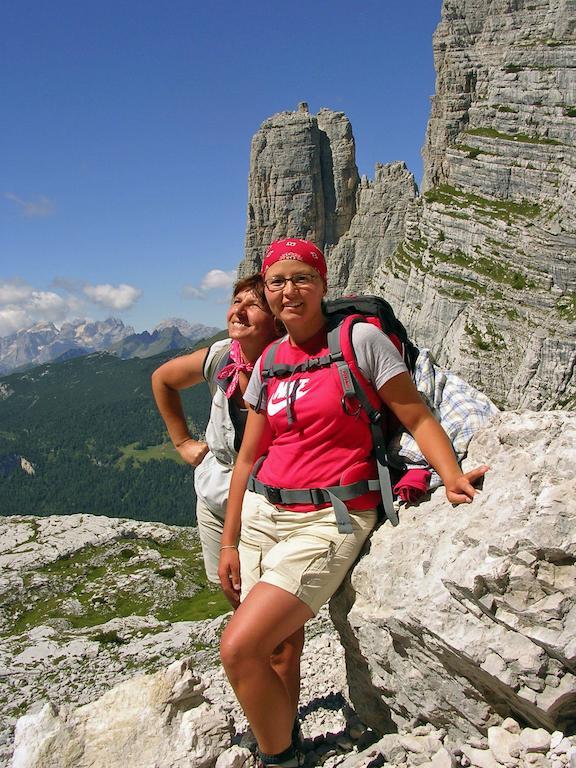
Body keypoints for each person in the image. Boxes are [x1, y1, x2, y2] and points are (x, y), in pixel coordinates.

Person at [218, 239, 489, 768]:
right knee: (275, 649)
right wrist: (229, 540)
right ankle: (284, 735)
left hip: (330, 517)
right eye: (277, 282)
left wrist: (451, 475)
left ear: (323, 282)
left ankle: (281, 760)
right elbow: (248, 458)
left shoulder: (358, 339)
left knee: (238, 648)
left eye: (301, 279)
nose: (288, 291)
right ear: (267, 290)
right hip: (262, 515)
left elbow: (416, 415)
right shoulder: (270, 357)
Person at [151, 274, 279, 583]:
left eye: (254, 305)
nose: (239, 311)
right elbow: (163, 379)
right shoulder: (221, 356)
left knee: (268, 594)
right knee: (230, 587)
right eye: (236, 302)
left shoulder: (289, 367)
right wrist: (182, 442)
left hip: (266, 502)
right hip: (214, 496)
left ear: (277, 319)